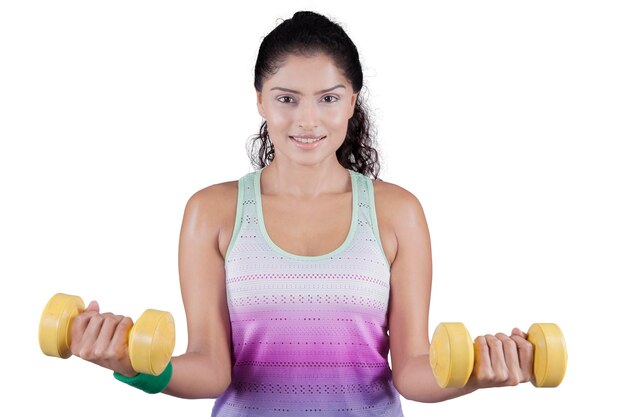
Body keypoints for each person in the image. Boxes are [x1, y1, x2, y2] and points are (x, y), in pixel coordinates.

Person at [68, 10, 534, 416]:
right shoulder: (212, 212)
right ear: (260, 100)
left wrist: (476, 373)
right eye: (287, 98)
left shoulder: (397, 212)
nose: (307, 121)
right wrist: (134, 366)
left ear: (352, 101)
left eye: (328, 98)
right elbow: (211, 368)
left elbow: (412, 369)